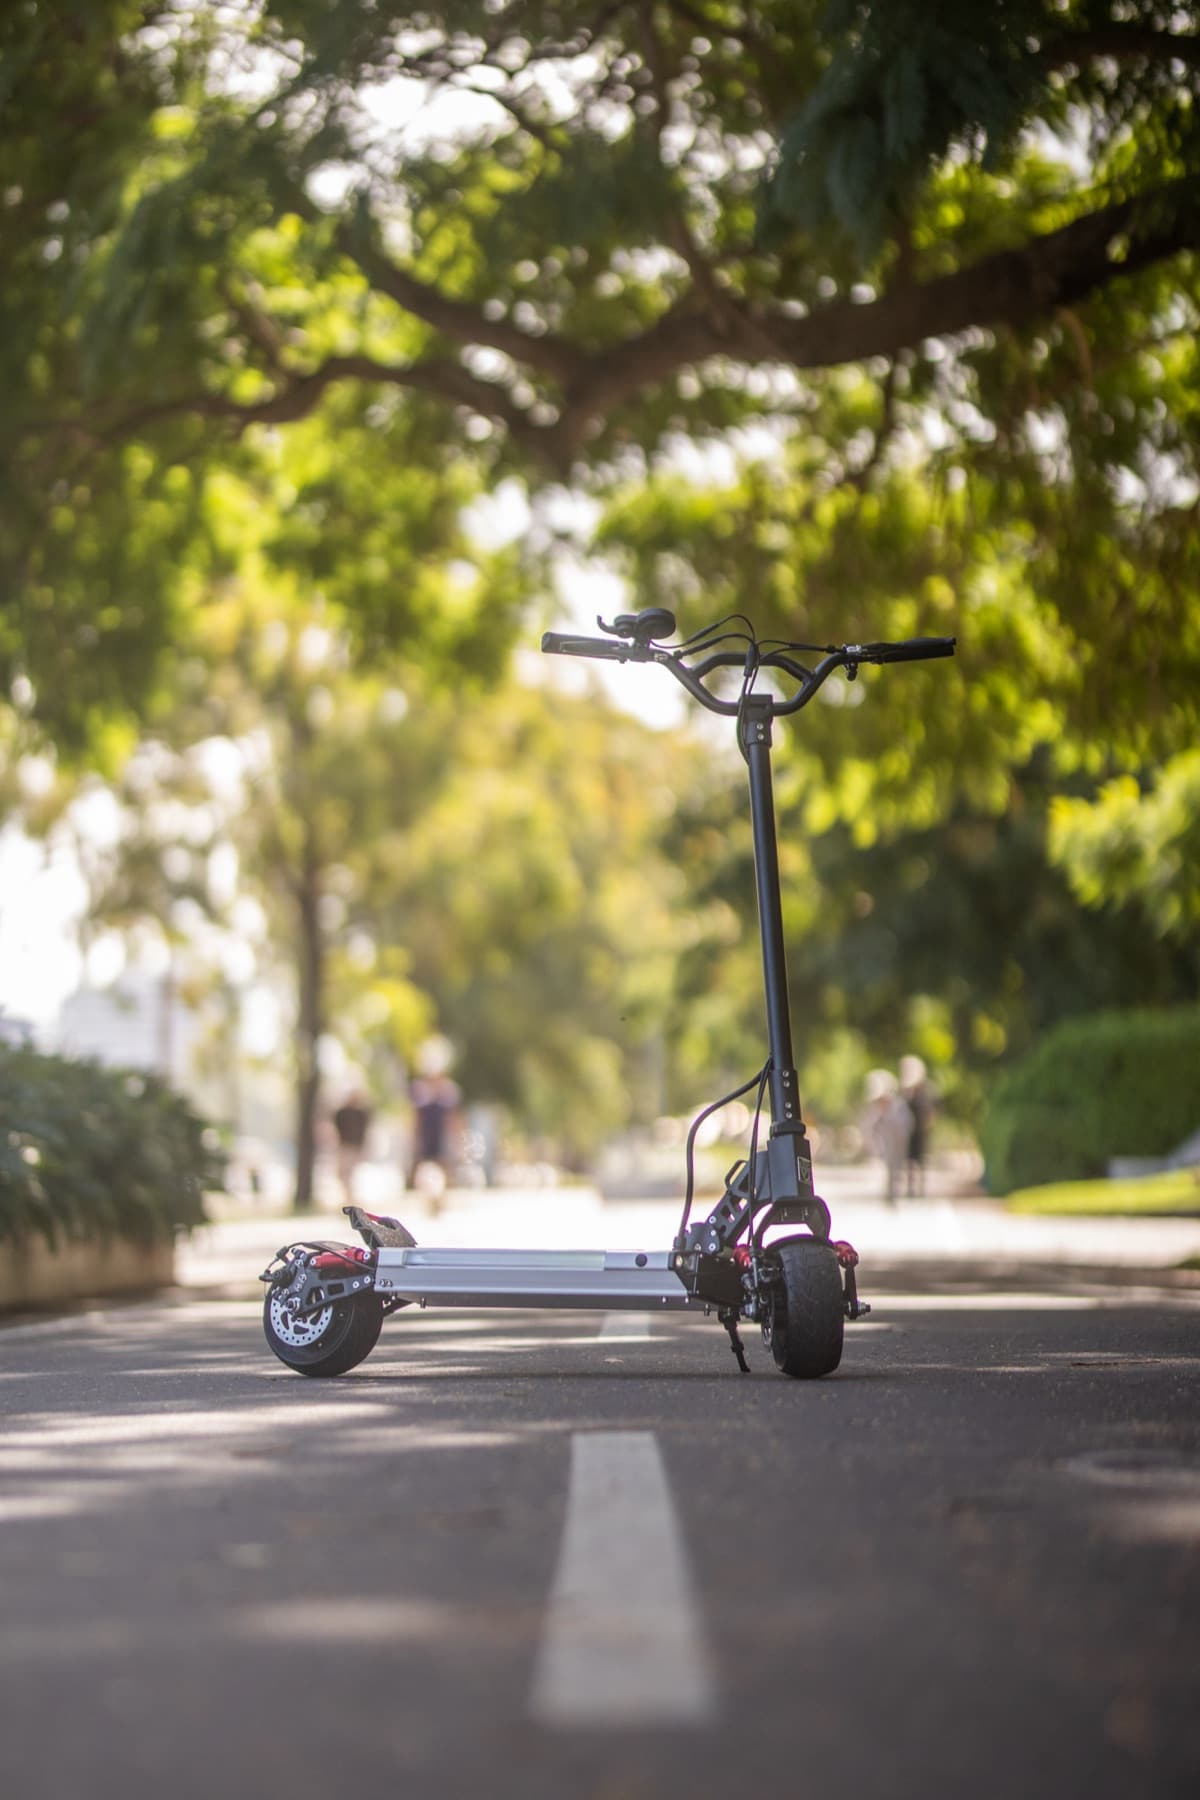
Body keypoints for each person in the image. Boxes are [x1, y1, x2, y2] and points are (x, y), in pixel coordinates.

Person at [408, 1036, 463, 1202]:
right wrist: (414, 1136)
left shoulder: (448, 1089)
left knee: (443, 1165)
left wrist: (457, 1137)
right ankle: (429, 1198)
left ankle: (440, 1198)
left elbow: (453, 1116)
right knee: (425, 1167)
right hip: (426, 1133)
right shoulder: (419, 1089)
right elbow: (414, 1116)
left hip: (442, 1133)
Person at [862, 1068, 914, 1205]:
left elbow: (906, 1124)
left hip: (898, 1143)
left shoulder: (899, 1106)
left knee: (896, 1170)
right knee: (889, 1169)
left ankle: (893, 1194)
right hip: (886, 1144)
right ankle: (889, 1194)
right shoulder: (878, 1110)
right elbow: (871, 1126)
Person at [899, 1054, 937, 1197]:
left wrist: (928, 1123)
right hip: (908, 1131)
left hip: (921, 1131)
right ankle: (911, 1188)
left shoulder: (927, 1090)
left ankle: (920, 1189)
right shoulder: (905, 1092)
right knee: (909, 1162)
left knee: (921, 1161)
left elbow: (933, 1110)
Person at [332, 1087, 373, 1206]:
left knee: (350, 1173)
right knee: (342, 1173)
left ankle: (351, 1197)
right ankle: (348, 1196)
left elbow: (365, 1129)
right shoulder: (342, 1112)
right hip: (344, 1145)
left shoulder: (361, 1113)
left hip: (355, 1146)